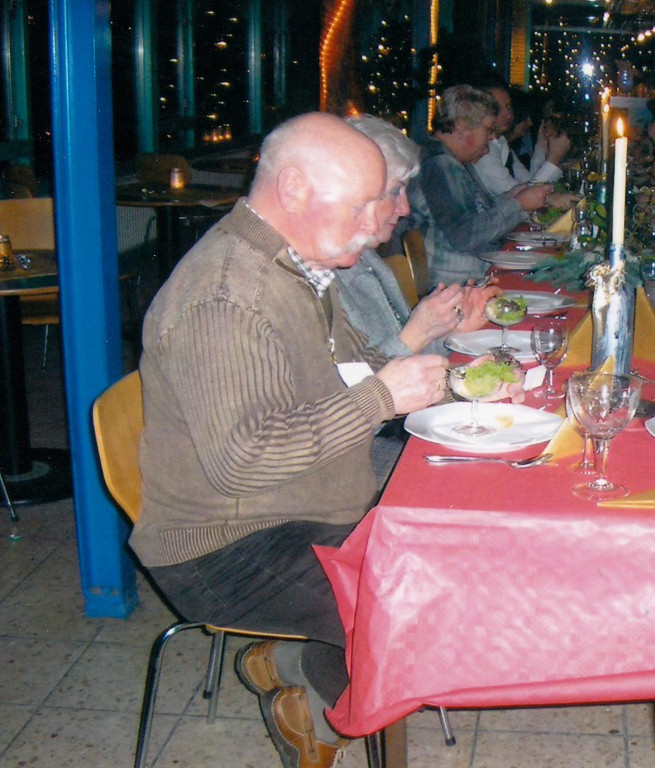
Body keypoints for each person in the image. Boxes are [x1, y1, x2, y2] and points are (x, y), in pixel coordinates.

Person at [133, 113, 452, 768]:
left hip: (308, 504)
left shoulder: (301, 267)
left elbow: (353, 370)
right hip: (227, 548)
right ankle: (322, 698)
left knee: (451, 541)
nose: (380, 221)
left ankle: (302, 669)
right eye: (364, 203)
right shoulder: (225, 297)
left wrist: (425, 386)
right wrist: (383, 397)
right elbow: (244, 461)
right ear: (294, 188)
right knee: (422, 609)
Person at [339, 114, 501, 485]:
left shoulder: (364, 258)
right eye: (395, 191)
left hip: (394, 430)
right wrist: (419, 332)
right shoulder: (326, 274)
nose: (405, 208)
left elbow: (396, 365)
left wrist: (449, 332)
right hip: (366, 457)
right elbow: (358, 401)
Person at [408, 84, 552, 285]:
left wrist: (511, 198)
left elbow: (475, 217)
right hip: (454, 286)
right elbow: (465, 235)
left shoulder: (452, 160)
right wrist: (518, 204)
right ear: (461, 127)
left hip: (473, 278)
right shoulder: (440, 164)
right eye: (488, 129)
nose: (492, 137)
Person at [473, 84, 572, 197]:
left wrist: (542, 143)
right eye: (498, 108)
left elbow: (530, 182)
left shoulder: (502, 144)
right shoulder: (484, 152)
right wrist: (554, 157)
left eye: (509, 106)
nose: (508, 114)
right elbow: (519, 199)